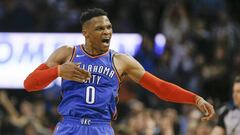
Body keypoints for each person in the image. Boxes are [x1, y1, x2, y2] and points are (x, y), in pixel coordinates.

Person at [23, 8, 215, 135]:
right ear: (86, 33)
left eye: (109, 27)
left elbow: (159, 87)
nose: (107, 32)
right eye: (100, 28)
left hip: (101, 127)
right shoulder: (67, 53)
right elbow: (29, 84)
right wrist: (57, 71)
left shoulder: (121, 61)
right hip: (69, 126)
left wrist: (194, 99)